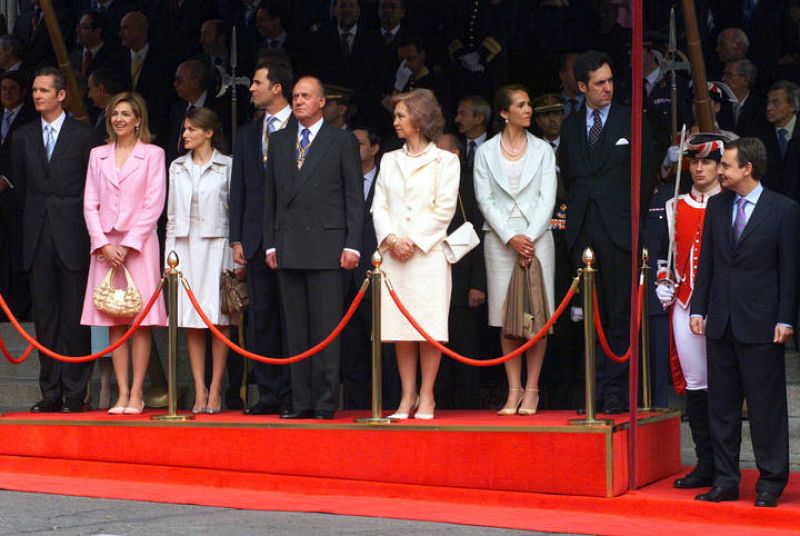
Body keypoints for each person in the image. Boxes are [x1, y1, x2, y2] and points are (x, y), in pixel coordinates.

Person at [690, 138, 799, 507]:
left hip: (762, 324)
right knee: (721, 408)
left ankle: (771, 482)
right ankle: (726, 481)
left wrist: (785, 318)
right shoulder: (717, 206)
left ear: (747, 168)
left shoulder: (783, 210)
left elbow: (790, 271)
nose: (719, 171)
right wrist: (698, 309)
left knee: (766, 409)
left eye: (725, 165)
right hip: (720, 321)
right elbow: (707, 263)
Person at [559, 50, 656, 415]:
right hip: (582, 228)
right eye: (599, 83)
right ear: (582, 86)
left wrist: (633, 223)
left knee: (618, 311)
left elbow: (645, 175)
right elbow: (570, 174)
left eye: (611, 80)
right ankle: (592, 388)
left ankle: (616, 389)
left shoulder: (631, 120)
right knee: (587, 311)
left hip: (619, 229)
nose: (608, 88)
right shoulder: (570, 125)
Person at [264, 76, 363, 420]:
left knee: (325, 329)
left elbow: (354, 196)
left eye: (306, 96)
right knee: (296, 330)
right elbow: (271, 197)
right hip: (289, 244)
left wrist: (353, 244)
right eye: (295, 96)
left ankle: (324, 402)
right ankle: (300, 401)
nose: (299, 101)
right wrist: (270, 243)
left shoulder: (341, 140)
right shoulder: (279, 140)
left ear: (322, 102)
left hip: (328, 245)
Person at [11, 67, 103, 413]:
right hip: (37, 236)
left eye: (44, 90)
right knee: (45, 317)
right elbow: (21, 189)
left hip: (74, 236)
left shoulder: (84, 136)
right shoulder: (22, 136)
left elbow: (93, 188)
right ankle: (50, 392)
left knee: (75, 318)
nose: (37, 95)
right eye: (35, 90)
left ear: (61, 95)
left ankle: (75, 393)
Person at [371, 88, 459, 420]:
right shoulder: (389, 159)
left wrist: (413, 241)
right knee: (400, 329)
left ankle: (427, 395)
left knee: (428, 327)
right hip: (394, 256)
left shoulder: (446, 161)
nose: (395, 122)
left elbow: (444, 210)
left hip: (427, 256)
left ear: (419, 120)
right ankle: (407, 395)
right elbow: (379, 206)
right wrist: (392, 240)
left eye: (401, 116)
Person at [81, 91, 167, 415]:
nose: (119, 119)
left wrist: (128, 244)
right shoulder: (98, 155)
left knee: (140, 320)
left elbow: (154, 204)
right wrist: (103, 243)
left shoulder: (153, 154)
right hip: (105, 247)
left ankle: (138, 392)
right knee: (113, 319)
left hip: (139, 247)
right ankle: (122, 392)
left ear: (138, 120)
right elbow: (89, 203)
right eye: (115, 114)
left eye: (126, 114)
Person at [474, 84, 556, 416]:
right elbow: (484, 200)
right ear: (504, 113)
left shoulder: (543, 150)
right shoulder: (485, 152)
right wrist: (511, 237)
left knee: (537, 314)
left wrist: (528, 238)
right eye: (521, 105)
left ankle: (532, 389)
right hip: (499, 240)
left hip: (538, 239)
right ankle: (513, 390)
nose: (528, 110)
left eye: (528, 104)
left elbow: (547, 198)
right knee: (505, 317)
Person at [655, 134, 727, 489]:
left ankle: (726, 467)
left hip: (723, 306)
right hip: (684, 304)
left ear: (719, 166)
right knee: (696, 387)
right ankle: (705, 464)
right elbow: (664, 255)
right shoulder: (674, 205)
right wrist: (663, 282)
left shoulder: (730, 204)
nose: (699, 169)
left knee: (723, 387)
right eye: (694, 162)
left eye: (706, 162)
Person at [229, 58, 293, 415]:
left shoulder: (302, 128)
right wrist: (236, 237)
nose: (251, 88)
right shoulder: (247, 133)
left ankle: (293, 394)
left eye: (257, 83)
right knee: (262, 319)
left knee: (293, 319)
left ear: (277, 88)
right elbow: (238, 188)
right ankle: (268, 394)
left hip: (293, 238)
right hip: (254, 239)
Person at [165, 107, 232, 414]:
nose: (185, 134)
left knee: (219, 319)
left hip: (217, 245)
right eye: (185, 129)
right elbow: (171, 216)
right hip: (185, 247)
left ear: (209, 132)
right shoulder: (177, 166)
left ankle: (216, 388)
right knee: (191, 320)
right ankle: (199, 388)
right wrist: (169, 259)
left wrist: (235, 256)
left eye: (192, 129)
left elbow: (233, 212)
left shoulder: (227, 165)